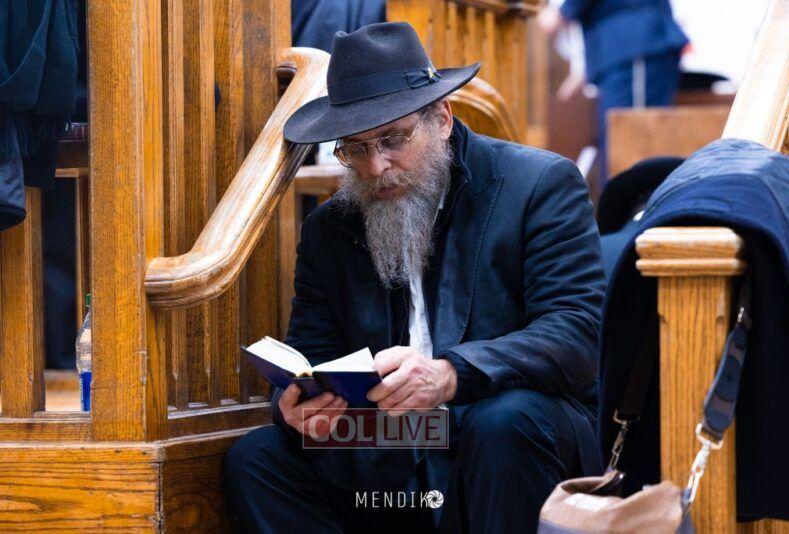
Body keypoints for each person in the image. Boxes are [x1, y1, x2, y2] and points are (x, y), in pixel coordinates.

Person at [224, 22, 606, 533]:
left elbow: (575, 333)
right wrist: (294, 406)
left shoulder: (539, 184)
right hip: (395, 443)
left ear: (442, 119)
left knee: (503, 421)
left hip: (502, 424)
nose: (376, 165)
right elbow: (312, 350)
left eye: (392, 139)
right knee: (258, 459)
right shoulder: (330, 228)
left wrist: (451, 373)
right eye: (355, 148)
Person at [538, 0, 688, 184]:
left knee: (632, 140)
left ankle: (634, 201)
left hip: (635, 43)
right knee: (618, 139)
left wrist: (561, 12)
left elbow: (554, 19)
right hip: (624, 48)